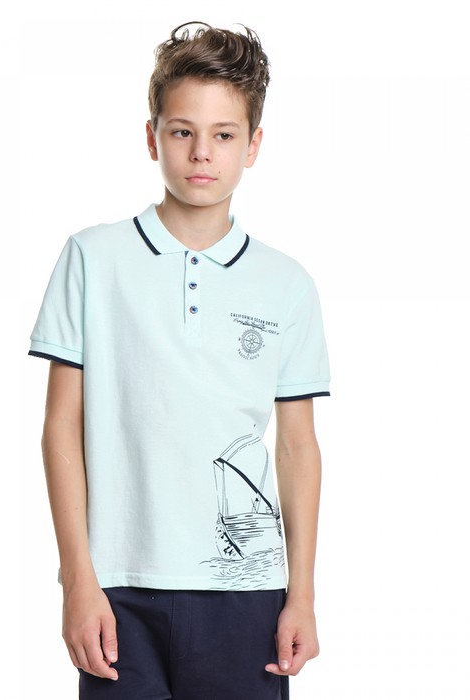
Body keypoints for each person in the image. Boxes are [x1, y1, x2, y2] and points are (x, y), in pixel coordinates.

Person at [28, 21, 331, 700]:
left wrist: (302, 596)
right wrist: (77, 580)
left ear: (253, 145)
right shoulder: (92, 258)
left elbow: (297, 448)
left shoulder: (286, 284)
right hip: (117, 590)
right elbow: (60, 427)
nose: (201, 153)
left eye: (223, 135)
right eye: (182, 131)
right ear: (152, 136)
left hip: (246, 595)